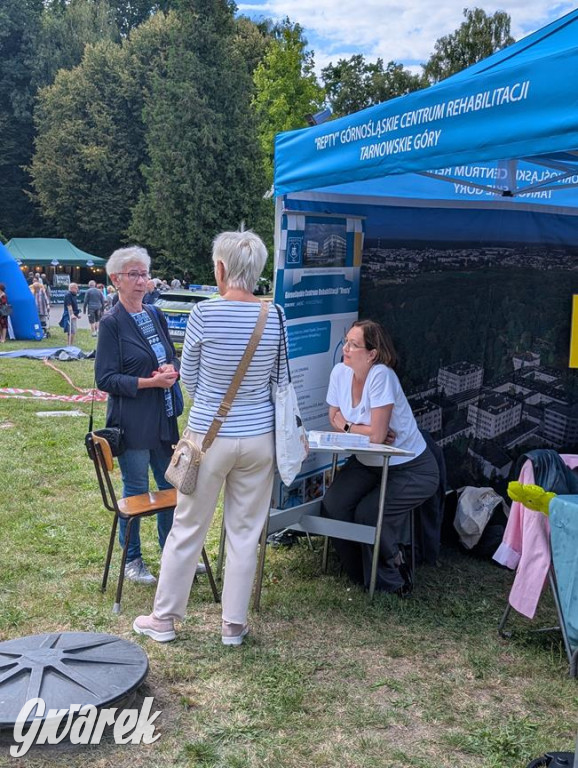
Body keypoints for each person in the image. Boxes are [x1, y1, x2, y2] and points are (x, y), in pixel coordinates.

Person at [133, 230, 286, 646]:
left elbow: (194, 381)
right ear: (257, 270)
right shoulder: (275, 316)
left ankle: (163, 620)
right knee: (245, 531)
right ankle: (233, 625)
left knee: (187, 526)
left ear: (220, 269)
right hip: (259, 439)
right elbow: (279, 381)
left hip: (208, 437)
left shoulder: (204, 313)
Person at [321, 320, 440, 595]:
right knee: (333, 504)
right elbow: (333, 418)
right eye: (346, 341)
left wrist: (353, 427)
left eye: (354, 344)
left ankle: (393, 579)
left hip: (411, 467)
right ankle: (359, 574)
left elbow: (375, 435)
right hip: (368, 461)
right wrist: (362, 431)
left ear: (372, 353)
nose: (346, 349)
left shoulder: (381, 375)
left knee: (368, 513)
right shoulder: (340, 372)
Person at [95, 246, 181, 585]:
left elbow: (172, 356)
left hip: (166, 418)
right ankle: (132, 561)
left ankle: (173, 557)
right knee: (136, 492)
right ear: (116, 280)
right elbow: (105, 379)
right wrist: (150, 382)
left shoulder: (156, 314)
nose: (142, 281)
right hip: (132, 422)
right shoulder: (111, 323)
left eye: (144, 274)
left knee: (171, 489)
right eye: (134, 274)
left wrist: (170, 370)